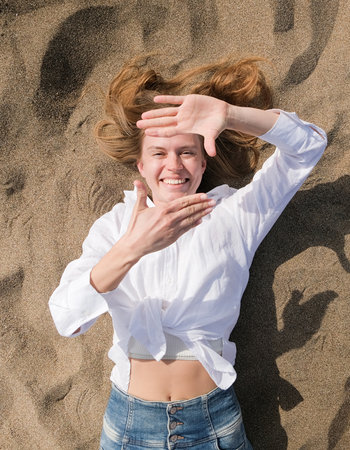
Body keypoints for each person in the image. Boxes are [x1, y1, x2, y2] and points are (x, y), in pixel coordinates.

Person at [49, 56, 327, 449]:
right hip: (131, 424)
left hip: (213, 421)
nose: (174, 165)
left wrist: (230, 115)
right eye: (160, 153)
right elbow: (66, 318)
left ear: (203, 159)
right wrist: (133, 248)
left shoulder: (234, 215)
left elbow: (309, 146)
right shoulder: (114, 228)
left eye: (187, 152)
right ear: (141, 164)